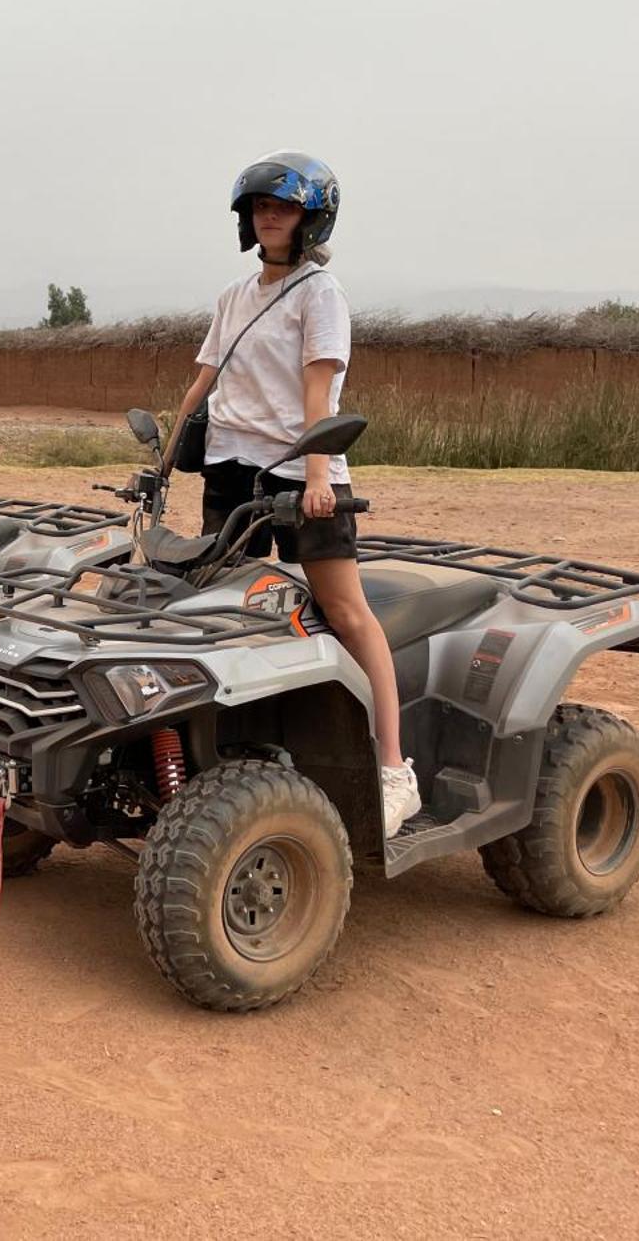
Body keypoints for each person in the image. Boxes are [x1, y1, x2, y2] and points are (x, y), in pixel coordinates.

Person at [161, 150, 421, 836]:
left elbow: (318, 391)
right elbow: (204, 380)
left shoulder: (319, 294)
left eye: (282, 206)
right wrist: (162, 460)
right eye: (258, 206)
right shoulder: (233, 296)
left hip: (301, 468)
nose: (268, 215)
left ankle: (394, 768)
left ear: (311, 217)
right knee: (224, 606)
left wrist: (314, 473)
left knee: (343, 606)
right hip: (230, 468)